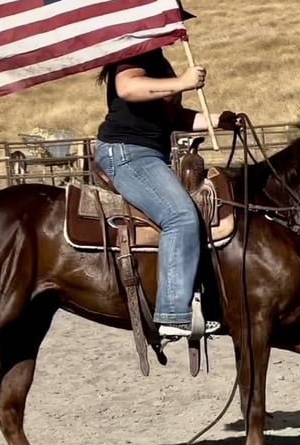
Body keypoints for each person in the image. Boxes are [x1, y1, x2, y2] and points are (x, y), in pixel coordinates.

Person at [94, 46, 238, 339]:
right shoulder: (134, 52)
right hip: (128, 153)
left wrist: (216, 121)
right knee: (180, 217)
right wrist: (182, 83)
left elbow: (173, 117)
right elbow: (128, 88)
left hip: (149, 153)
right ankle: (173, 313)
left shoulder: (157, 60)